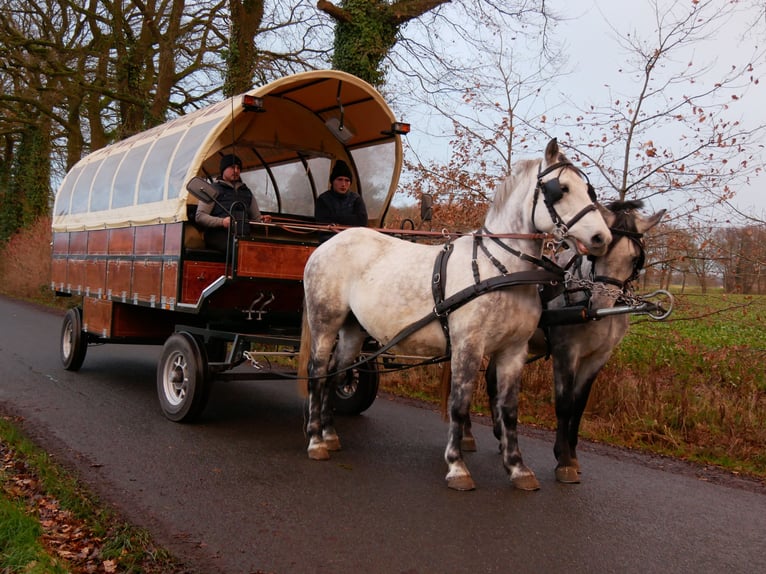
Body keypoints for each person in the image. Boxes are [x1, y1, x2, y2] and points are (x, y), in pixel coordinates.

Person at [195, 154, 263, 252]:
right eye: (232, 167)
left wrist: (262, 220)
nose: (236, 171)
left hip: (243, 238)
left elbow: (256, 219)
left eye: (238, 168)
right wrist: (222, 222)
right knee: (239, 250)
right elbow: (200, 216)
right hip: (218, 238)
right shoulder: (212, 189)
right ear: (223, 169)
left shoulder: (247, 192)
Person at [314, 159, 368, 243]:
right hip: (329, 240)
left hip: (353, 239)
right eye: (340, 179)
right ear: (332, 181)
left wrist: (336, 219)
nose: (343, 184)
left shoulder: (356, 199)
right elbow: (322, 223)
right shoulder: (323, 199)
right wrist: (349, 220)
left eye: (347, 180)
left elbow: (362, 221)